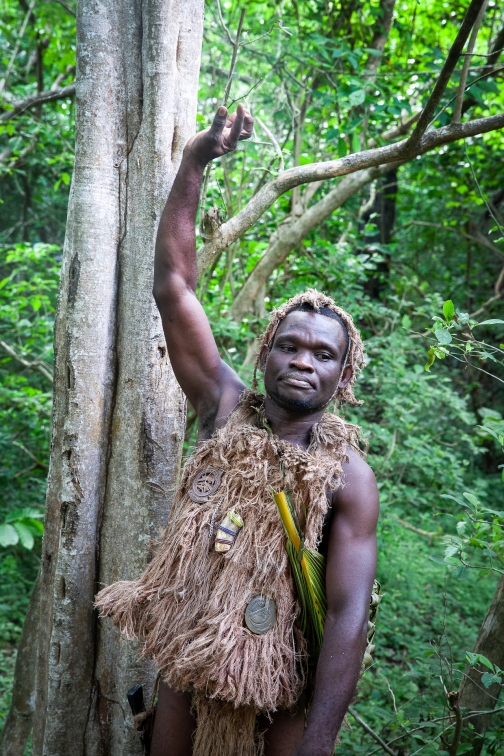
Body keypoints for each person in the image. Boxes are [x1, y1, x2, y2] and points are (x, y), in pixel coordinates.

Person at [96, 104, 379, 756]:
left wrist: (319, 740)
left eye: (323, 354)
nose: (304, 359)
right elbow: (174, 286)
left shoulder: (349, 477)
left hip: (285, 683)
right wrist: (196, 160)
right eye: (291, 345)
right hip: (193, 660)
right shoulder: (223, 405)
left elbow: (347, 614)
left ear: (344, 374)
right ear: (267, 351)